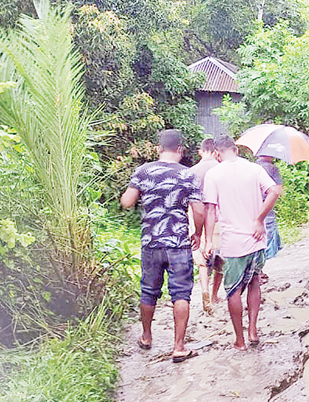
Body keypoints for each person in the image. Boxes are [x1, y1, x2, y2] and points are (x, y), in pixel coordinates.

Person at [121, 129, 204, 363]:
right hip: (178, 242)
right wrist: (196, 232)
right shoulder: (188, 175)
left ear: (159, 148)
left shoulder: (143, 171)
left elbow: (127, 202)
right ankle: (178, 347)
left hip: (151, 242)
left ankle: (146, 337)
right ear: (180, 149)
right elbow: (199, 210)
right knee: (181, 293)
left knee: (149, 291)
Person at [202, 136, 282, 351]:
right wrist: (259, 219)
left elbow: (210, 209)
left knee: (232, 290)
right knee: (254, 280)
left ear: (217, 153)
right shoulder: (254, 169)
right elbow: (274, 191)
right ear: (235, 150)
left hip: (233, 241)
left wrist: (208, 240)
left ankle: (240, 340)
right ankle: (253, 331)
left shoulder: (214, 174)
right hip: (256, 238)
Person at [188, 138, 223, 312]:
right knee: (221, 258)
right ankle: (216, 294)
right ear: (216, 152)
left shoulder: (192, 171)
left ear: (201, 151)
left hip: (197, 218)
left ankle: (205, 291)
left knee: (203, 260)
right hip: (219, 217)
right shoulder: (222, 170)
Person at [255, 155, 283, 263]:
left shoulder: (253, 166)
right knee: (269, 227)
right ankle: (269, 256)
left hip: (254, 203)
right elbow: (278, 190)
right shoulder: (272, 168)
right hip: (267, 203)